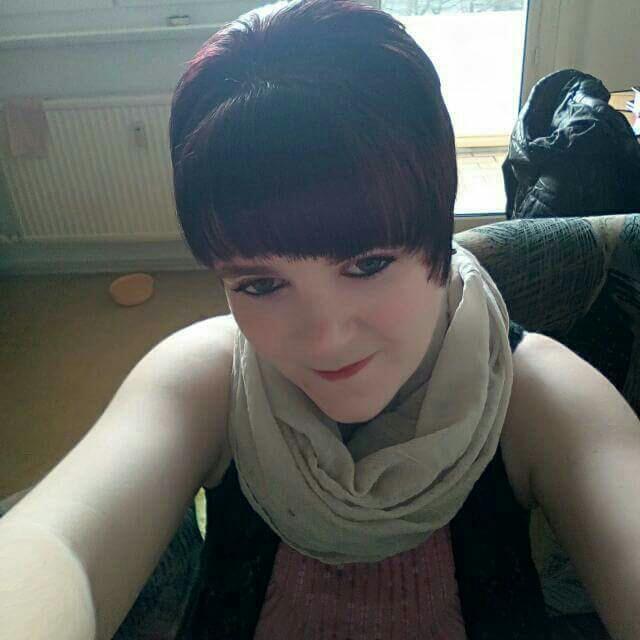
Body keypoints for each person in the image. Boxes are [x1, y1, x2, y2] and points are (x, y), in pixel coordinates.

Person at [1, 1, 639, 639]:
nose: (325, 337)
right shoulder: (207, 380)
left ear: (438, 235)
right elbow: (61, 545)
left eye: (367, 264)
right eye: (260, 284)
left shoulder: (536, 395)